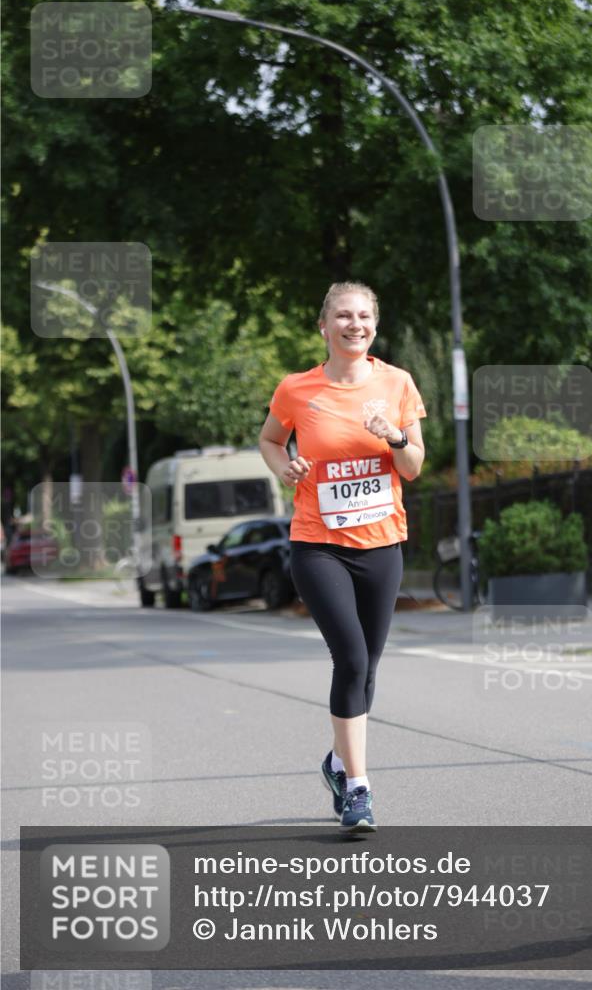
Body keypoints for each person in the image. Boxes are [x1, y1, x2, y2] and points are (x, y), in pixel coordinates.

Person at [259, 281, 426, 835]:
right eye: (343, 316)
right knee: (351, 660)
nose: (355, 324)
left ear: (374, 324)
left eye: (364, 316)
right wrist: (284, 466)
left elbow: (414, 467)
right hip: (318, 545)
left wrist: (397, 438)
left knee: (368, 668)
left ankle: (336, 762)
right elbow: (269, 439)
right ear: (323, 325)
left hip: (381, 544)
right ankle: (359, 788)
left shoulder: (397, 382)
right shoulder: (297, 390)